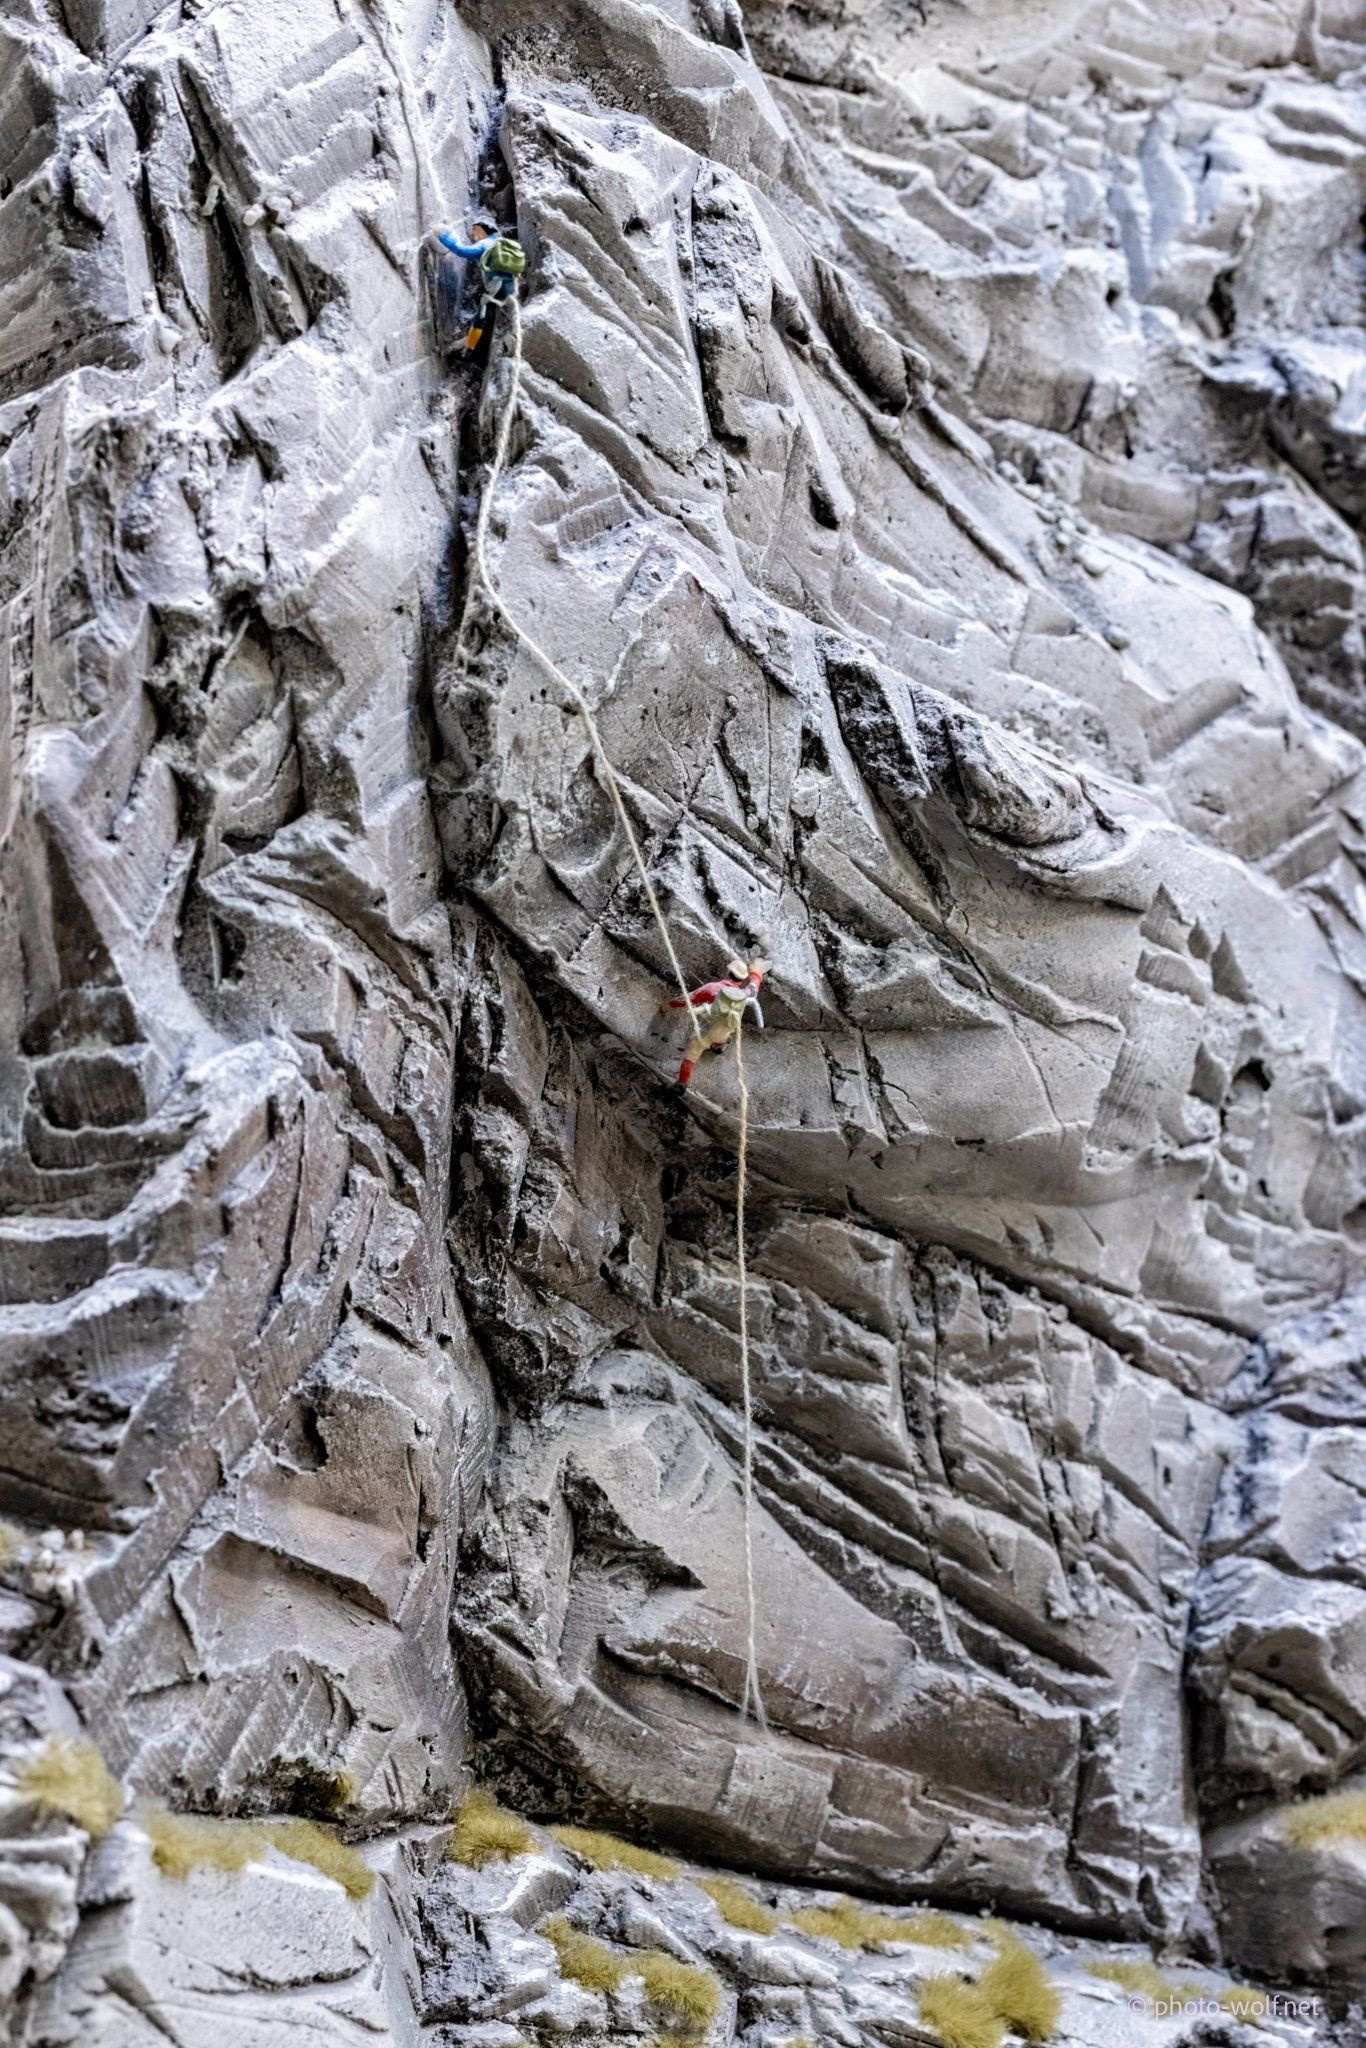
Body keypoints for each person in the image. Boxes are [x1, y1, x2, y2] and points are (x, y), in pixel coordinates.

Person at [665, 960, 770, 1087]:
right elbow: (752, 988)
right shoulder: (742, 994)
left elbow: (688, 998)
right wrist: (755, 974)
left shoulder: (712, 988)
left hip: (706, 1030)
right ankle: (719, 1047)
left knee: (691, 1055)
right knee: (724, 1033)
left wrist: (669, 1005)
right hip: (724, 1031)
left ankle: (682, 1083)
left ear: (728, 972)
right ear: (742, 979)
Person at [433, 221, 527, 351]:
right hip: (510, 284)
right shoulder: (498, 242)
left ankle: (468, 348)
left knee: (482, 315)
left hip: (498, 286)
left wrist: (443, 235)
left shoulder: (484, 244)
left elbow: (462, 251)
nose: (473, 235)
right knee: (492, 312)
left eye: (475, 231)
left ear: (482, 232)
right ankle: (473, 343)